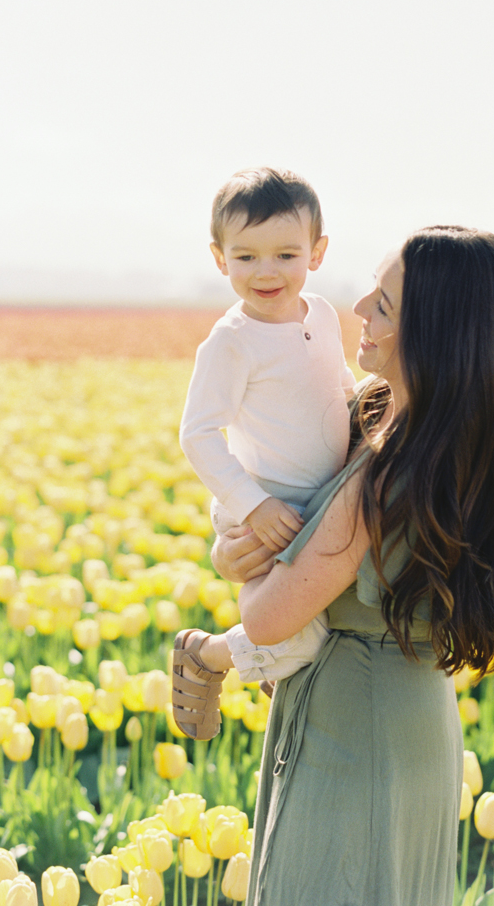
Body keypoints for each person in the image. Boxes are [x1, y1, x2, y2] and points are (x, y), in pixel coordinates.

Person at [209, 226, 494, 906]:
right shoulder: (463, 452)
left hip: (353, 733)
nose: (359, 307)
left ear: (436, 333)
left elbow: (269, 618)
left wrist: (239, 559)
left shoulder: (387, 478)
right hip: (416, 718)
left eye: (386, 303)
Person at [174, 167, 356, 739]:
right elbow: (197, 434)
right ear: (219, 257)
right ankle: (206, 657)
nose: (266, 272)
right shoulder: (232, 340)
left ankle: (275, 666)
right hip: (264, 504)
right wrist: (252, 506)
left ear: (317, 253)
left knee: (320, 622)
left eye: (285, 254)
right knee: (298, 632)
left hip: (316, 503)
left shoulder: (322, 313)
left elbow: (340, 382)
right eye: (246, 257)